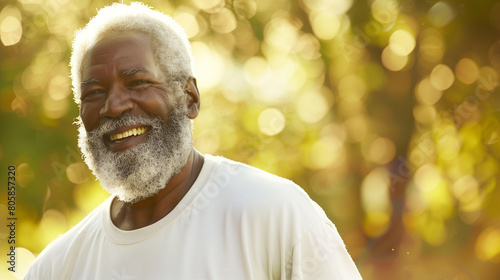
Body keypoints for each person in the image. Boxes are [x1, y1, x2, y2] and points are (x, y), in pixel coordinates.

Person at [24, 2, 362, 279]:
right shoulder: (56, 269)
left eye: (138, 83)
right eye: (95, 93)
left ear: (189, 98)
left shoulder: (273, 213)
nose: (114, 106)